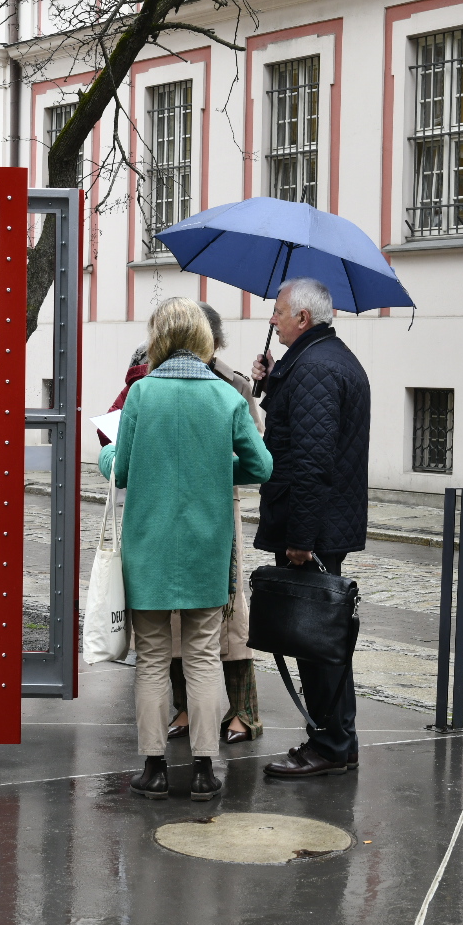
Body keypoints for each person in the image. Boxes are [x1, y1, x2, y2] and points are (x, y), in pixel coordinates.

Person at [99, 298, 273, 800]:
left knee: (152, 659)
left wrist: (106, 454)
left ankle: (153, 768)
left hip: (149, 550)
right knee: (202, 658)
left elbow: (122, 470)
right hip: (206, 549)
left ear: (158, 338)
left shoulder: (141, 395)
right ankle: (204, 771)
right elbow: (261, 467)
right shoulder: (225, 398)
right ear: (202, 339)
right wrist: (218, 472)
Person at [249, 277, 371, 778]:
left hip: (313, 530)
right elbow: (297, 428)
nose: (272, 320)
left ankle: (330, 744)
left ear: (303, 318)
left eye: (278, 312)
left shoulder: (318, 367)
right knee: (321, 636)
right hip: (319, 523)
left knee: (318, 639)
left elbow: (311, 461)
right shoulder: (317, 361)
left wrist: (300, 539)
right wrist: (272, 380)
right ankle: (337, 737)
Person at [163, 302, 266, 746]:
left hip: (219, 506)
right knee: (170, 617)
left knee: (230, 616)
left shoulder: (233, 384)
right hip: (168, 505)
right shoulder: (154, 376)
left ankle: (243, 712)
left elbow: (256, 453)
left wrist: (211, 462)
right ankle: (185, 708)